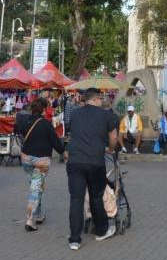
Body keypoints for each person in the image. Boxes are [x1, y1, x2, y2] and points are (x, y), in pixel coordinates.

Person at [64, 88, 119, 250]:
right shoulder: (107, 115)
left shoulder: (74, 114)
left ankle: (74, 239)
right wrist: (110, 148)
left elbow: (71, 134)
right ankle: (101, 231)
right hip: (95, 161)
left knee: (76, 199)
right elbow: (114, 137)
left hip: (75, 161)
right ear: (96, 99)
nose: (102, 101)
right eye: (100, 99)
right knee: (96, 197)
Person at [17, 98, 64, 232]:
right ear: (44, 109)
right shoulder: (45, 123)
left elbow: (19, 132)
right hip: (41, 161)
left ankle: (39, 214)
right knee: (35, 189)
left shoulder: (24, 120)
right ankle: (30, 220)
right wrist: (63, 151)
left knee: (35, 186)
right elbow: (55, 142)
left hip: (26, 159)